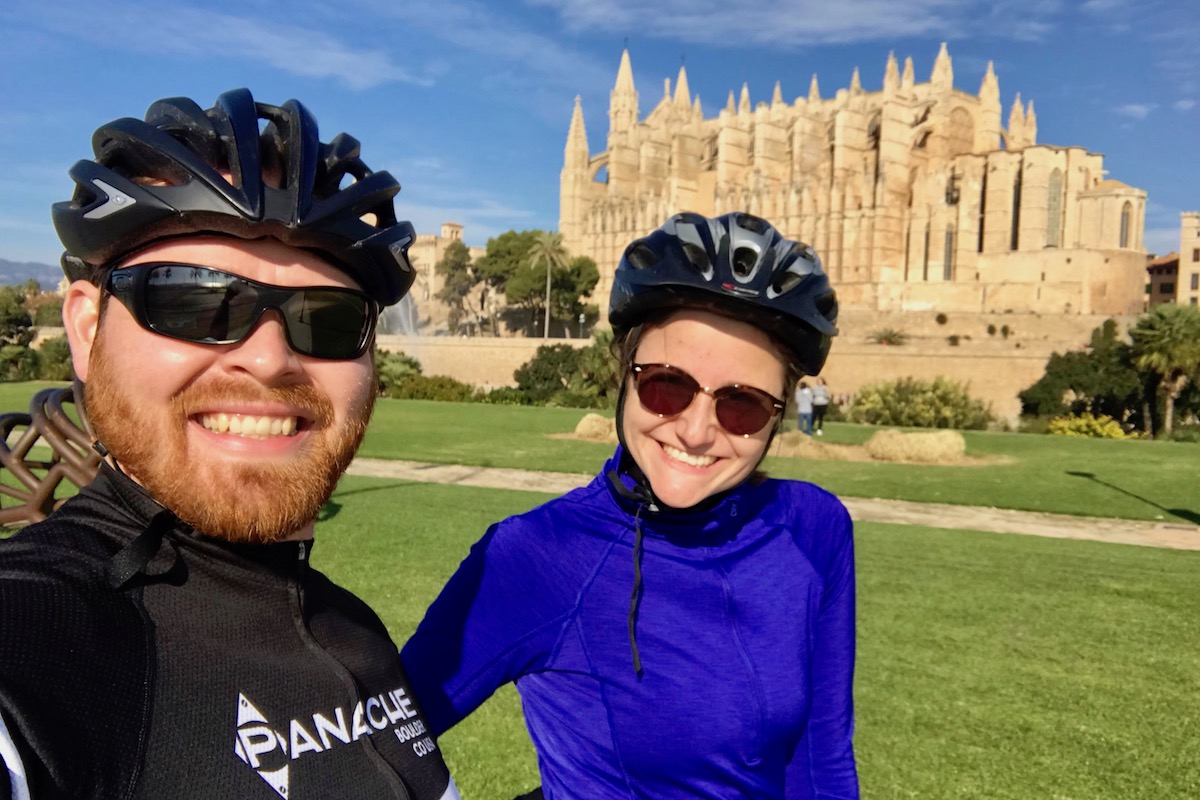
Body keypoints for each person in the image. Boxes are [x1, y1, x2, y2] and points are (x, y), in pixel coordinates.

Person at [0, 88, 460, 800]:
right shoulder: (34, 633)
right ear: (87, 330)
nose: (269, 360)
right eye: (193, 299)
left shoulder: (353, 630)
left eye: (327, 318)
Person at [402, 212, 858, 799]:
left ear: (779, 414)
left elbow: (822, 761)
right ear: (625, 375)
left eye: (741, 404)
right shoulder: (539, 554)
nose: (696, 431)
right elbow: (374, 745)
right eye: (667, 385)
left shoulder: (814, 527)